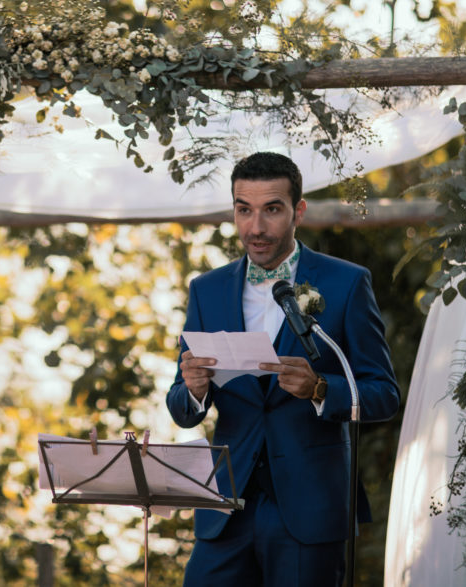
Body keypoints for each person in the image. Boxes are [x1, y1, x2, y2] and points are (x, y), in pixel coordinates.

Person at [167, 152, 400, 586]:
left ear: (299, 211)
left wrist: (319, 390)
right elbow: (181, 406)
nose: (256, 227)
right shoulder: (206, 290)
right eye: (244, 210)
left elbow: (384, 393)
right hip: (225, 511)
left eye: (272, 209)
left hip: (311, 510)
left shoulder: (346, 283)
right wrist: (194, 389)